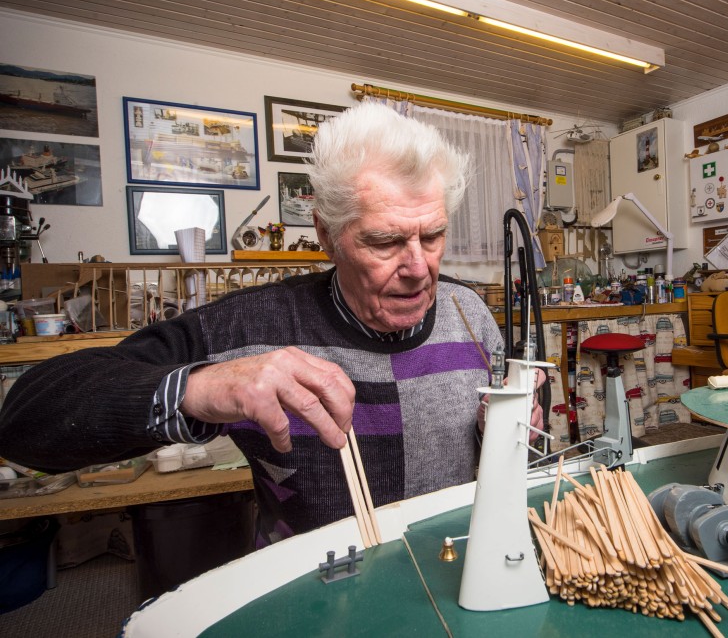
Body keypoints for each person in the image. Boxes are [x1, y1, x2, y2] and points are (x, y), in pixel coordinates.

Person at [0, 102, 543, 545]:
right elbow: (24, 422)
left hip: (459, 574)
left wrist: (503, 427)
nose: (419, 268)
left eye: (432, 236)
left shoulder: (470, 314)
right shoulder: (249, 327)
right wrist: (199, 387)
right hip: (320, 605)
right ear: (327, 236)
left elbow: (506, 448)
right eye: (384, 241)